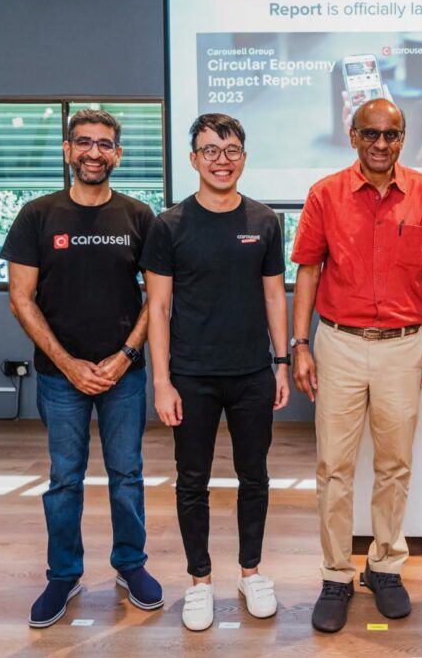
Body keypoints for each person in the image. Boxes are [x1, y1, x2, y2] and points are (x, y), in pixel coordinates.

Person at [291, 98, 422, 632]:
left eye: (391, 135)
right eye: (371, 134)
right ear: (353, 136)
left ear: (403, 138)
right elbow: (308, 272)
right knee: (333, 468)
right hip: (338, 343)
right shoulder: (325, 194)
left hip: (404, 346)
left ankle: (385, 566)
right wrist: (300, 343)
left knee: (394, 464)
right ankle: (337, 574)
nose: (381, 144)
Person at [2, 108, 162, 628]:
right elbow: (21, 299)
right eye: (85, 142)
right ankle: (64, 574)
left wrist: (125, 357)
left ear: (118, 153)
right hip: (58, 377)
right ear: (69, 150)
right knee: (65, 479)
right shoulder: (37, 215)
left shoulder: (139, 216)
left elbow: (157, 299)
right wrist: (68, 364)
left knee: (127, 475)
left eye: (105, 144)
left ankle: (130, 565)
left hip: (124, 376)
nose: (95, 152)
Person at [141, 113, 290, 632]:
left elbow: (275, 294)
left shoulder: (266, 222)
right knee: (191, 481)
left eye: (230, 151)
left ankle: (251, 572)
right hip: (191, 376)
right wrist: (161, 381)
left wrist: (282, 363)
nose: (221, 161)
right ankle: (200, 580)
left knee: (256, 477)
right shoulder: (168, 226)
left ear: (243, 158)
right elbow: (158, 309)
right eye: (210, 151)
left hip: (252, 373)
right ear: (193, 159)